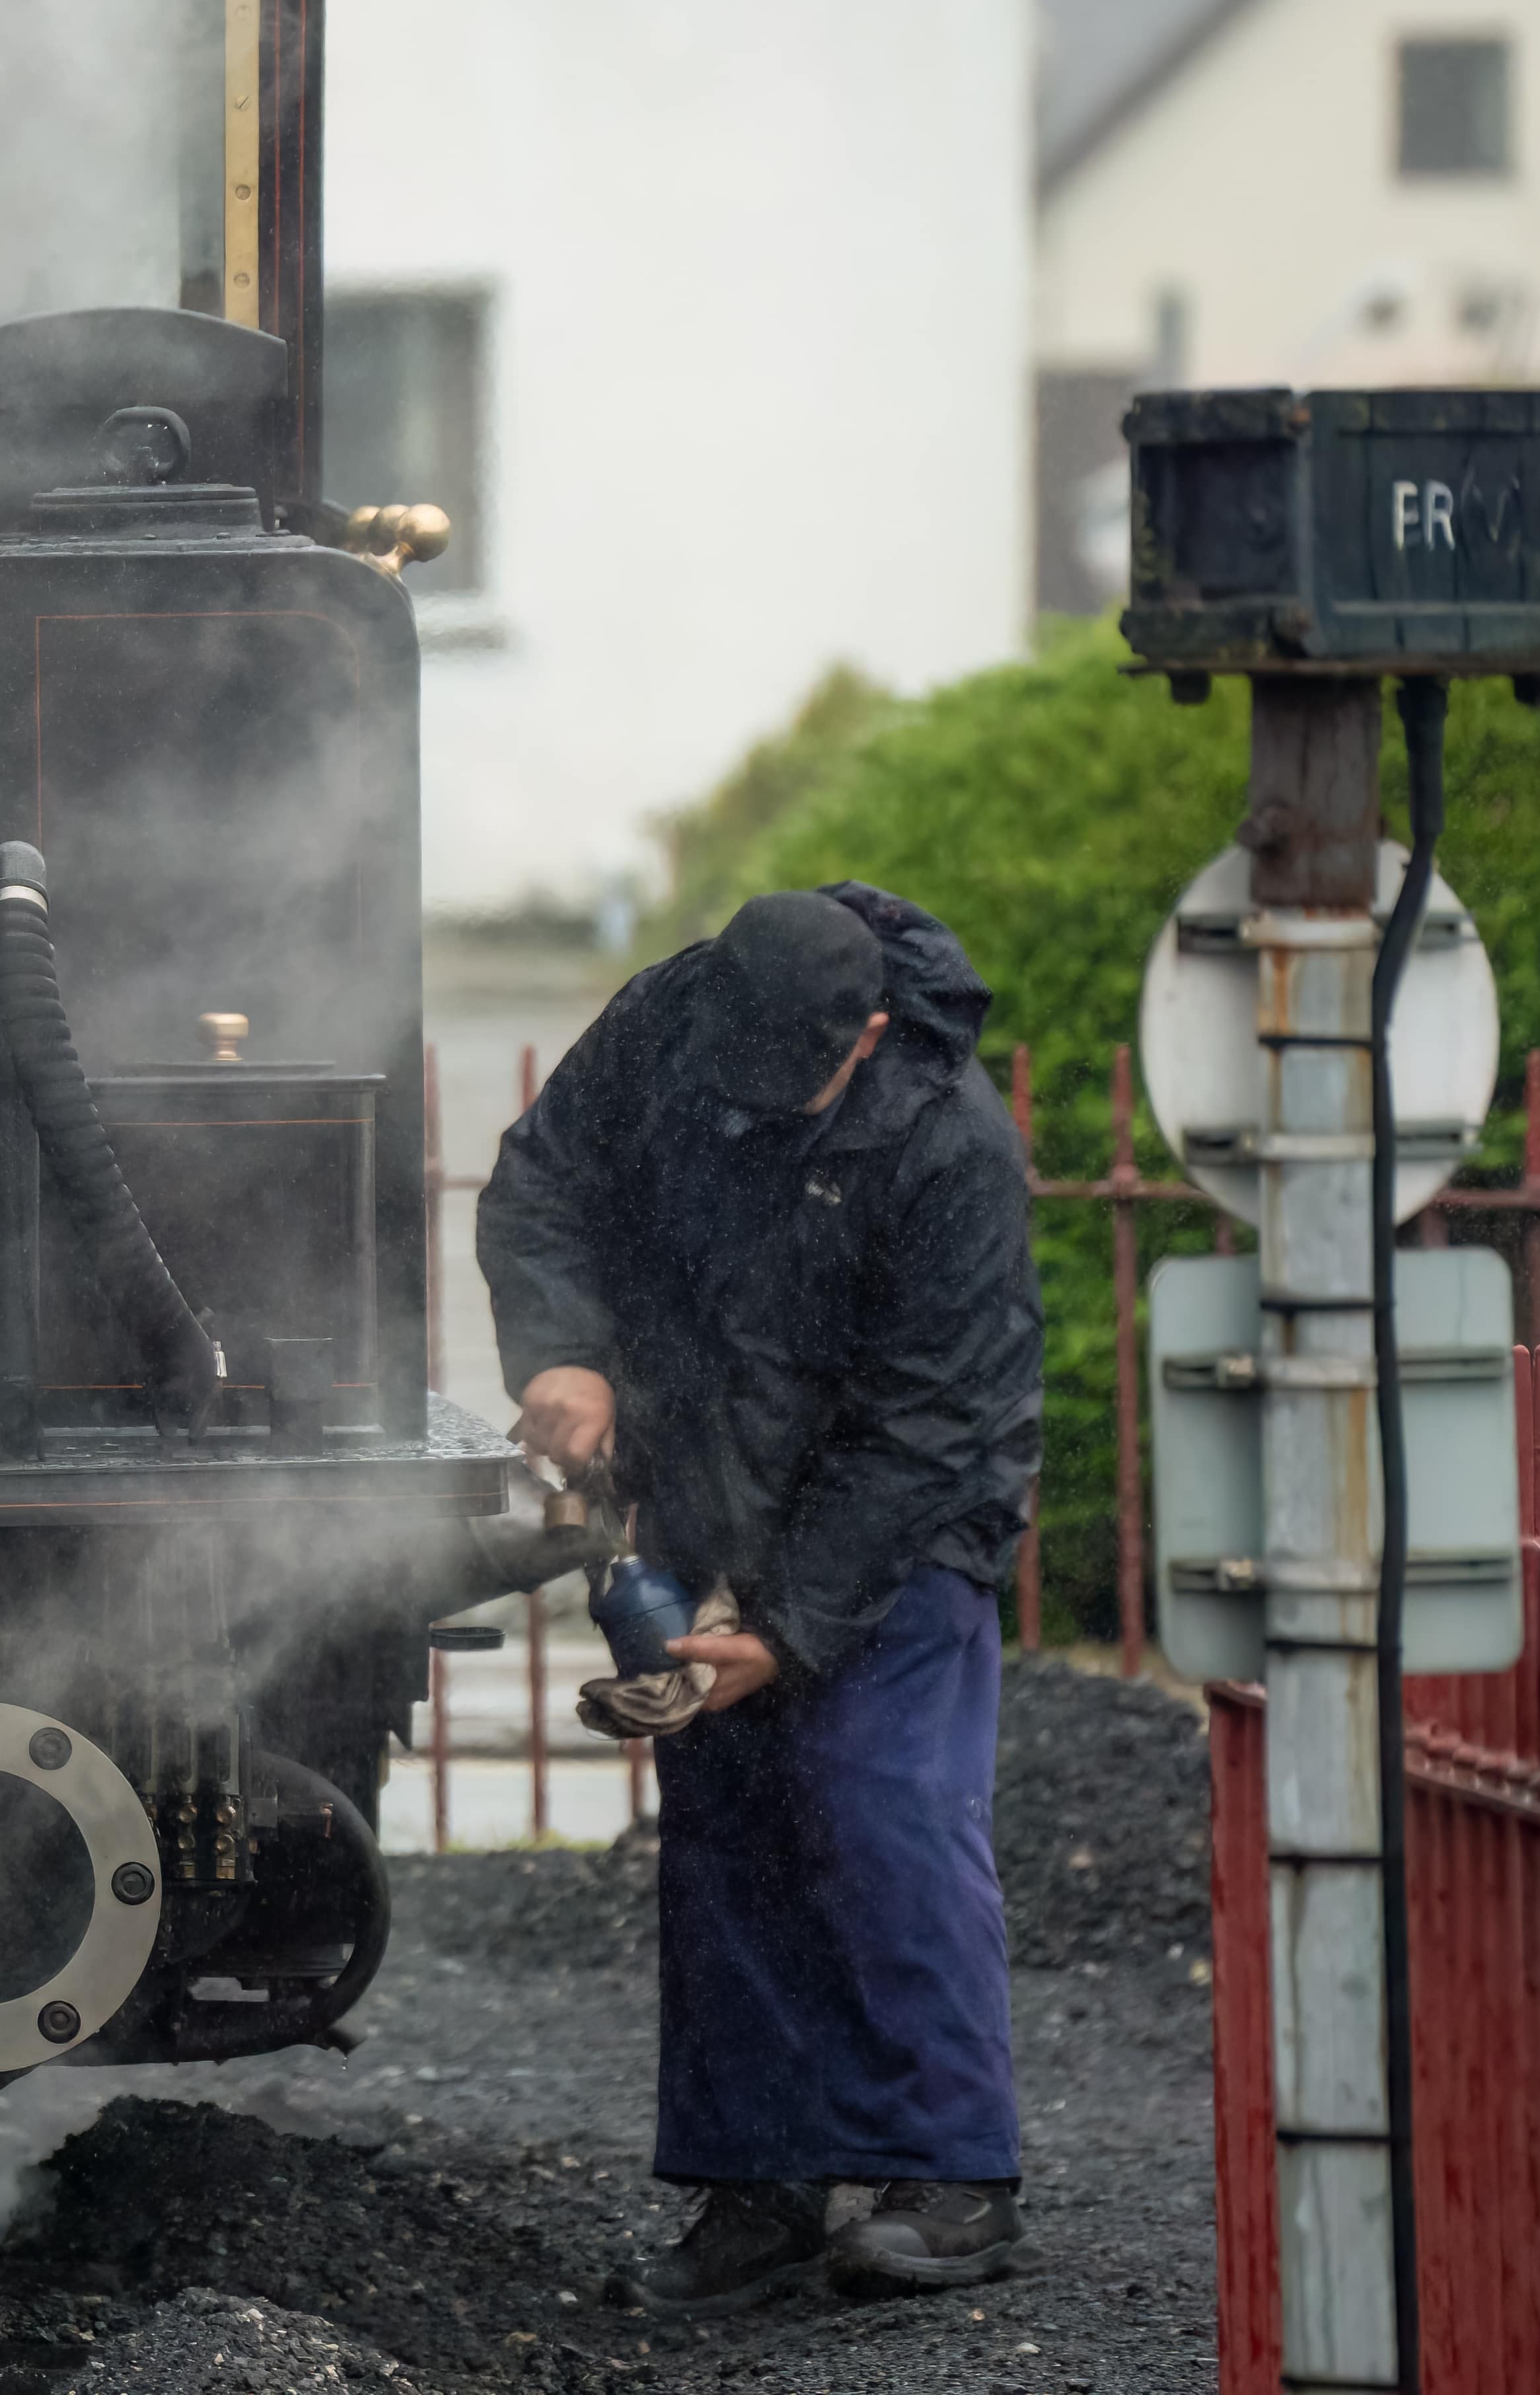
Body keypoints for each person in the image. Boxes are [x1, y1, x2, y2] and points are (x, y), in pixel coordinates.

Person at [473, 883, 1046, 2308]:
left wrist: (783, 1630)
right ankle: (761, 2185)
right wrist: (565, 1355)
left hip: (903, 1521)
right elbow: (542, 1179)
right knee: (725, 1831)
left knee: (881, 1803)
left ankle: (955, 2171)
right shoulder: (667, 1023)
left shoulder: (950, 1145)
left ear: (866, 1033)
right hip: (710, 1485)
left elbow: (929, 1424)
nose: (747, 1106)